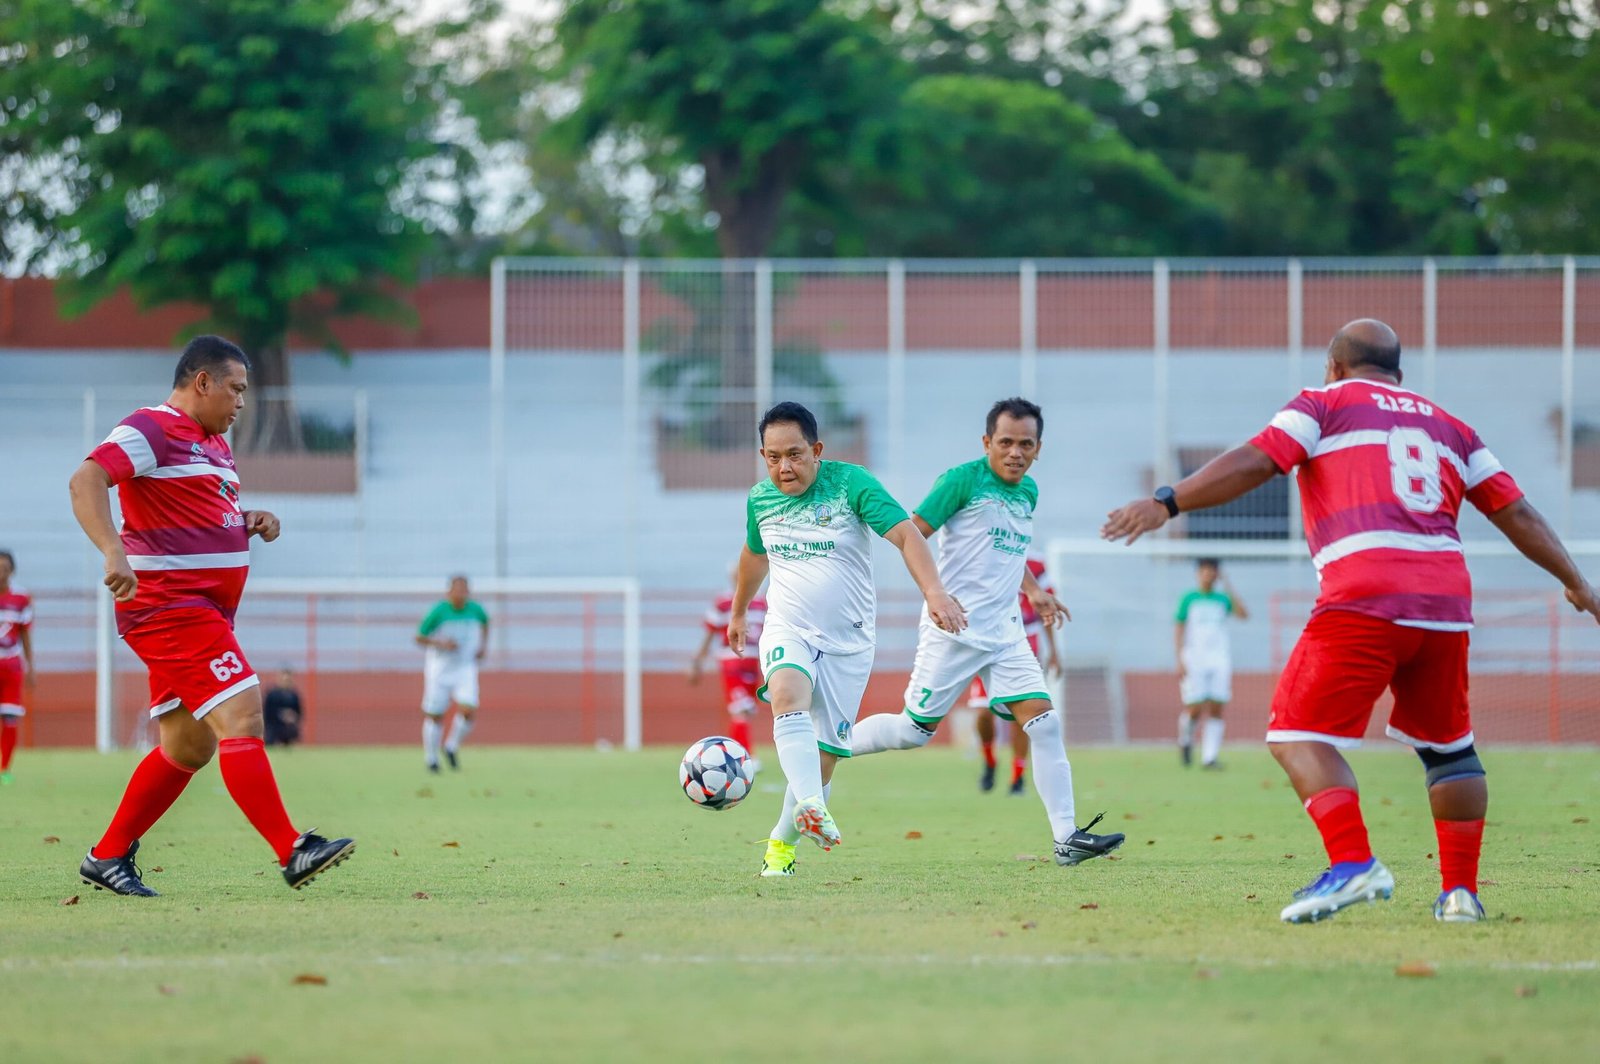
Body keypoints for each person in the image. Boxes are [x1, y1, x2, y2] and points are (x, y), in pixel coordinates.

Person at [1102, 319, 1600, 924]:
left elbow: (1259, 460)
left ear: (1333, 367)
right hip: (1445, 603)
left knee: (1294, 734)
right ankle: (1461, 894)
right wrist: (1575, 580)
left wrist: (1166, 501)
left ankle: (1353, 863)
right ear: (1400, 374)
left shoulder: (1323, 404)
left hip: (1364, 592)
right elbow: (1515, 510)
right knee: (1450, 752)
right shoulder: (1452, 426)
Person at [67, 335, 355, 896]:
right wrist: (112, 549)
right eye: (236, 389)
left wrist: (245, 519)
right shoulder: (151, 427)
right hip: (170, 607)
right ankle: (291, 849)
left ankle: (106, 857)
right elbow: (86, 480)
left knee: (188, 746)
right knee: (244, 714)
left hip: (202, 612)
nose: (241, 402)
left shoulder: (213, 444)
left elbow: (191, 508)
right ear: (202, 382)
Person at [850, 398, 1125, 867]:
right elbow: (912, 534)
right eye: (1005, 443)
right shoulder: (962, 480)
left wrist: (1034, 590)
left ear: (1038, 448)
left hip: (1006, 632)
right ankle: (828, 744)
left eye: (1025, 444)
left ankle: (1066, 838)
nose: (1015, 453)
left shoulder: (1028, 491)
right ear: (986, 443)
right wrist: (936, 594)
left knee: (1044, 721)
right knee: (912, 731)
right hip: (954, 629)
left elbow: (1008, 553)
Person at [731, 401, 967, 878]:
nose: (784, 467)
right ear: (762, 455)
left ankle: (781, 845)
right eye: (773, 457)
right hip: (788, 626)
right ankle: (813, 807)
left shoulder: (852, 485)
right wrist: (739, 612)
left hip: (850, 642)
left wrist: (935, 591)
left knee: (822, 759)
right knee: (785, 694)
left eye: (794, 454)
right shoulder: (760, 499)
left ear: (816, 450)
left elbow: (906, 536)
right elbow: (755, 556)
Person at [970, 555, 1062, 794]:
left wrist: (1054, 651)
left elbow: (1046, 608)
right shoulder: (984, 553)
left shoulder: (1037, 564)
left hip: (1024, 640)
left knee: (1023, 713)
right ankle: (989, 760)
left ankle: (1017, 776)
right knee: (982, 712)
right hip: (988, 639)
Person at [1174, 557, 1248, 769]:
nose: (1208, 575)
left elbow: (1243, 614)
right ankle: (1186, 740)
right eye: (1204, 571)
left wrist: (1228, 585)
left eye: (1212, 571)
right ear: (1199, 574)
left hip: (1219, 659)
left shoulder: (1223, 599)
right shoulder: (1189, 598)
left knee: (1216, 707)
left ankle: (1210, 757)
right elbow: (1179, 627)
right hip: (1194, 659)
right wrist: (1179, 657)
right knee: (1195, 707)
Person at [688, 573, 767, 767]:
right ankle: (745, 758)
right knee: (740, 710)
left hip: (753, 660)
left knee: (745, 711)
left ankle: (736, 755)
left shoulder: (763, 603)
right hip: (732, 660)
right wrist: (697, 661)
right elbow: (710, 632)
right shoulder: (724, 602)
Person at [415, 575, 489, 772]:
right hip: (440, 669)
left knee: (468, 709)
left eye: (464, 589)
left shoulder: (476, 610)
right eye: (457, 589)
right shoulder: (439, 612)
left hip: (465, 668)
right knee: (435, 715)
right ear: (449, 591)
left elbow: (485, 623)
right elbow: (419, 637)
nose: (461, 593)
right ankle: (431, 758)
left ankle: (451, 746)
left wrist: (483, 646)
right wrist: (441, 643)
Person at [0, 550, 35, 784]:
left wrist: (31, 666)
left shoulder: (21, 599)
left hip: (11, 667)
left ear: (12, 570)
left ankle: (5, 770)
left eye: (5, 568)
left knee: (9, 718)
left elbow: (25, 635)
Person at [263, 669, 304, 748]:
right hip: (274, 727)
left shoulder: (294, 695)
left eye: (288, 680)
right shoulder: (272, 694)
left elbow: (299, 712)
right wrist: (281, 715)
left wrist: (292, 716)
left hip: (289, 729)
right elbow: (267, 712)